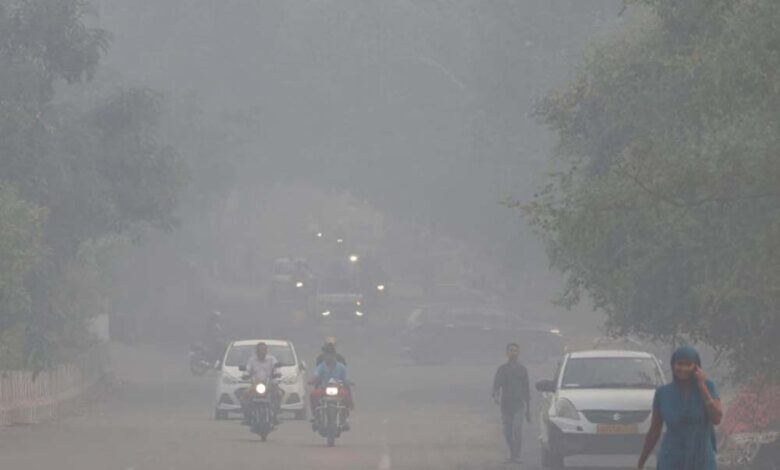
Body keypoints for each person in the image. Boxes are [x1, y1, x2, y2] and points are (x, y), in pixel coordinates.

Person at [638, 346, 723, 470]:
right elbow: (654, 431)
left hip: (701, 458)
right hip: (671, 458)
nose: (683, 368)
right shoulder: (663, 393)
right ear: (673, 365)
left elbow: (716, 419)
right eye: (679, 364)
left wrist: (702, 387)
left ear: (696, 367)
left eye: (688, 364)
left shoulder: (708, 386)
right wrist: (641, 462)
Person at [492, 343, 531, 464]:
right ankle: (512, 451)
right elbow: (496, 384)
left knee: (517, 429)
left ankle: (516, 455)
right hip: (506, 405)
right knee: (507, 432)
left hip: (519, 405)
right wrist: (496, 395)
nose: (513, 353)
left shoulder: (522, 370)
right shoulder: (502, 369)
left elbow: (526, 389)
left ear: (518, 353)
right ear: (507, 353)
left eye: (515, 350)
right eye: (511, 350)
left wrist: (528, 409)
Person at [309, 344, 352, 429]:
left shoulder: (341, 367)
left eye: (330, 354)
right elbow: (316, 375)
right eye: (326, 354)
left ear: (334, 355)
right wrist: (312, 380)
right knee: (313, 394)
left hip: (338, 390)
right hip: (324, 389)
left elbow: (346, 378)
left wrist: (349, 382)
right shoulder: (321, 366)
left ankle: (345, 418)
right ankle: (316, 416)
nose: (328, 357)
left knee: (347, 395)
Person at [242, 342, 281, 425]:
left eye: (264, 350)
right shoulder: (251, 360)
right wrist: (245, 374)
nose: (263, 352)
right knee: (245, 395)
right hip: (255, 385)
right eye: (260, 350)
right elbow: (247, 369)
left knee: (278, 394)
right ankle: (247, 417)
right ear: (256, 351)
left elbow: (276, 368)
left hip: (270, 384)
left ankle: (275, 416)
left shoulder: (272, 359)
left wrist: (277, 373)